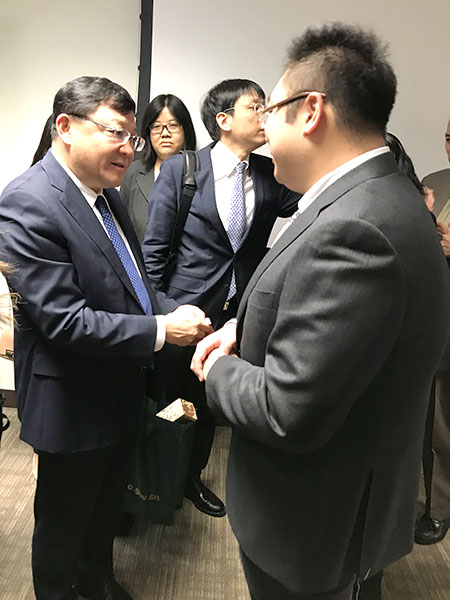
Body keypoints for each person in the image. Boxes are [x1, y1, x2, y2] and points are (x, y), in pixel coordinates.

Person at [191, 23, 450, 600]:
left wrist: (216, 366)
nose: (263, 126)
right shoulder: (377, 195)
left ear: (310, 111)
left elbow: (288, 411)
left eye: (270, 109)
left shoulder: (356, 229)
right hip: (327, 512)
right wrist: (244, 329)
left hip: (315, 527)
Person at [0, 75, 211, 600]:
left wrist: (171, 310)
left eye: (131, 137)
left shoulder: (106, 196)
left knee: (104, 514)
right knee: (64, 525)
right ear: (65, 127)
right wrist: (162, 330)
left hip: (119, 391)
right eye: (116, 132)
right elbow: (64, 320)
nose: (129, 148)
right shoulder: (28, 201)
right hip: (70, 400)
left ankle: (98, 586)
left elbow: (134, 286)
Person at [142, 78, 299, 518]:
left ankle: (191, 478)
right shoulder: (183, 169)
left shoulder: (269, 172)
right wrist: (165, 313)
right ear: (224, 119)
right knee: (169, 400)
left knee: (209, 402)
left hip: (233, 316)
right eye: (256, 107)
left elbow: (313, 197)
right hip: (183, 312)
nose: (265, 115)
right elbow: (154, 252)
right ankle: (155, 482)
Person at [415, 117, 450, 545]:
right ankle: (432, 504)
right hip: (432, 317)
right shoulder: (434, 181)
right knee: (430, 420)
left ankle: (439, 506)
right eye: (448, 137)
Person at [120, 94, 196, 244]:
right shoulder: (133, 172)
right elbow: (122, 227)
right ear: (148, 133)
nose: (165, 134)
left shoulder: (202, 171)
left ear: (185, 130)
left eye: (173, 125)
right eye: (156, 126)